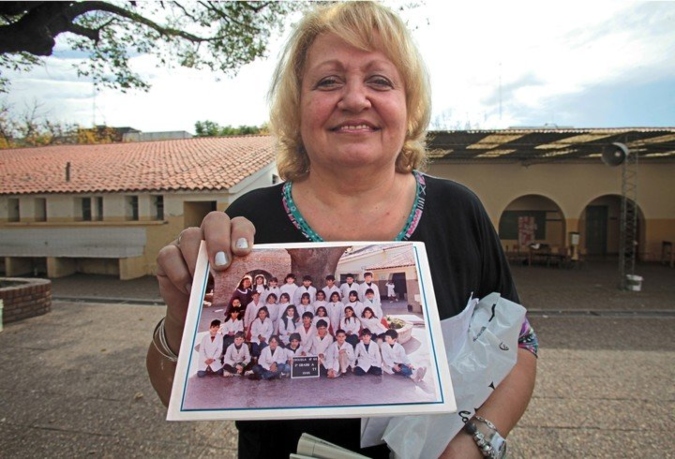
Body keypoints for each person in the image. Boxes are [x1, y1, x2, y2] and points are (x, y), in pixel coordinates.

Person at [149, 2, 537, 457]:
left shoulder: (459, 211)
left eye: (379, 80)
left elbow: (519, 341)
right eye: (328, 81)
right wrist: (182, 317)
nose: (355, 99)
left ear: (408, 105)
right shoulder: (248, 224)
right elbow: (174, 391)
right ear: (297, 107)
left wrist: (476, 442)